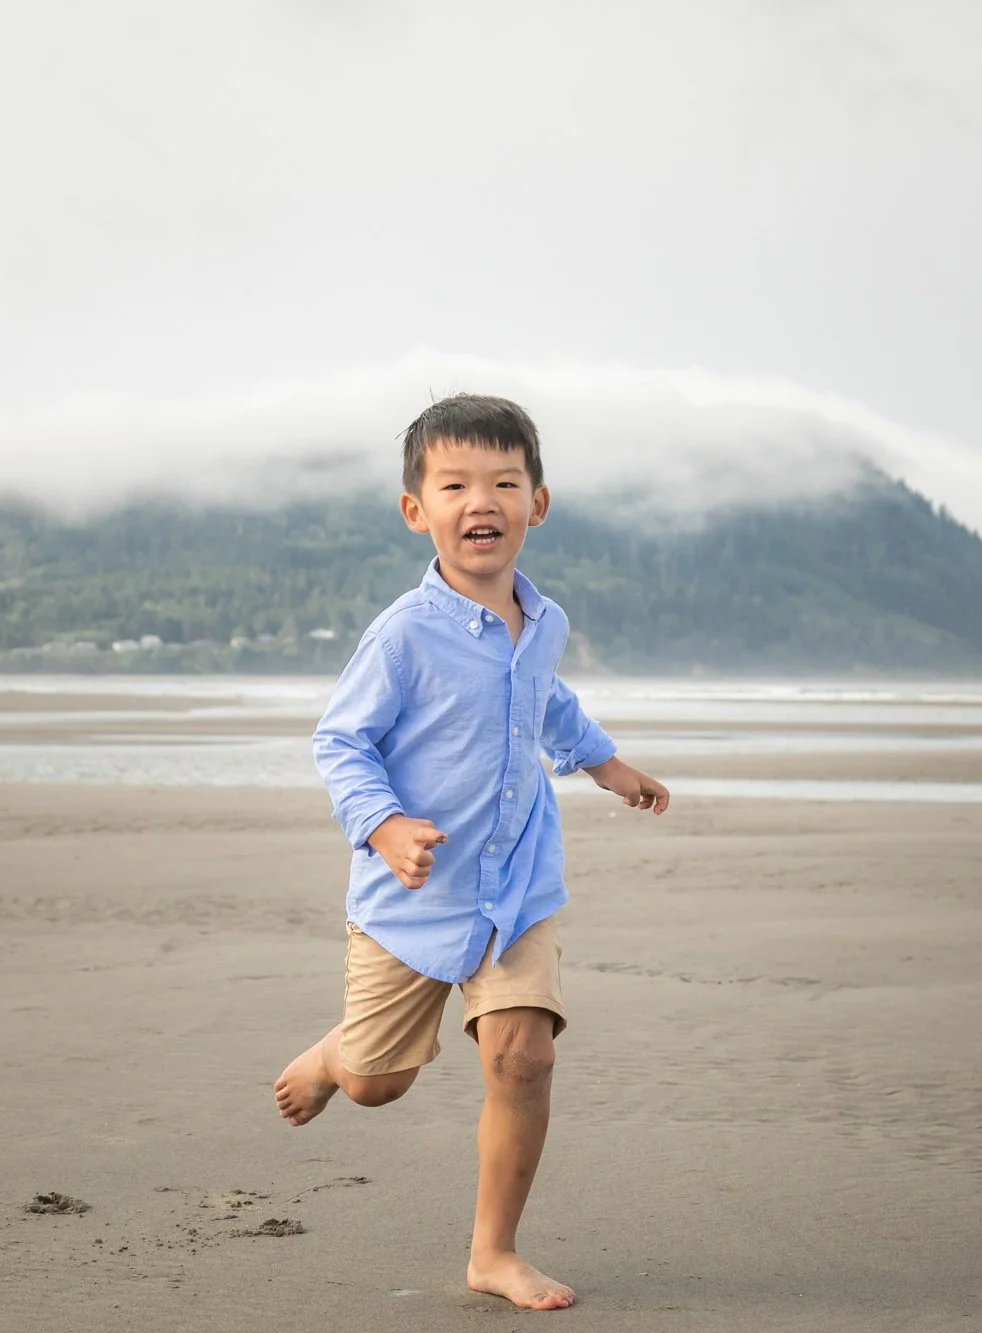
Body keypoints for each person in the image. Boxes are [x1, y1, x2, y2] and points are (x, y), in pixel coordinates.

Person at [272, 394, 671, 1311]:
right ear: (418, 510)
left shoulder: (546, 623)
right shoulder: (404, 634)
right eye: (454, 483)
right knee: (380, 1082)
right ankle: (337, 1057)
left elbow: (548, 706)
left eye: (503, 480)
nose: (479, 499)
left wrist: (606, 764)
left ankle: (494, 1251)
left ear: (537, 501)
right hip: (410, 898)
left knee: (522, 1054)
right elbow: (341, 741)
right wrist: (384, 826)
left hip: (516, 887)